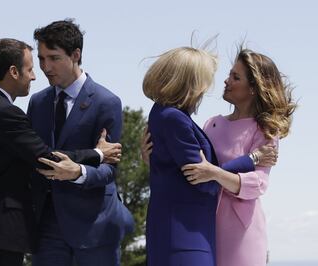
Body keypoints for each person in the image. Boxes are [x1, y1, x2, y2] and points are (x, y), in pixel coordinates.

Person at [0, 38, 122, 266]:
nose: (36, 76)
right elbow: (46, 159)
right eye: (30, 69)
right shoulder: (5, 112)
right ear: (14, 72)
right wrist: (98, 153)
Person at [28, 20, 134, 266]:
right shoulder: (37, 102)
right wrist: (95, 154)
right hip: (47, 228)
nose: (46, 67)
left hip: (95, 227)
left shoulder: (107, 102)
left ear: (76, 55)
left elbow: (110, 169)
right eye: (42, 59)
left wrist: (78, 172)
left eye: (53, 58)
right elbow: (37, 156)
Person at [180, 48, 296, 266]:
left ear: (253, 88)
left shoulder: (265, 130)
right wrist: (152, 159)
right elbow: (193, 169)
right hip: (203, 223)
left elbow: (258, 184)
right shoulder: (212, 123)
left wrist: (213, 173)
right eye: (229, 74)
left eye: (236, 77)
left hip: (241, 232)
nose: (226, 81)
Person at [142, 46, 242, 266]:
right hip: (184, 236)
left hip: (175, 232)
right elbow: (201, 179)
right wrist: (250, 160)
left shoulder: (161, 112)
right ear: (191, 82)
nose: (204, 89)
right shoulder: (174, 119)